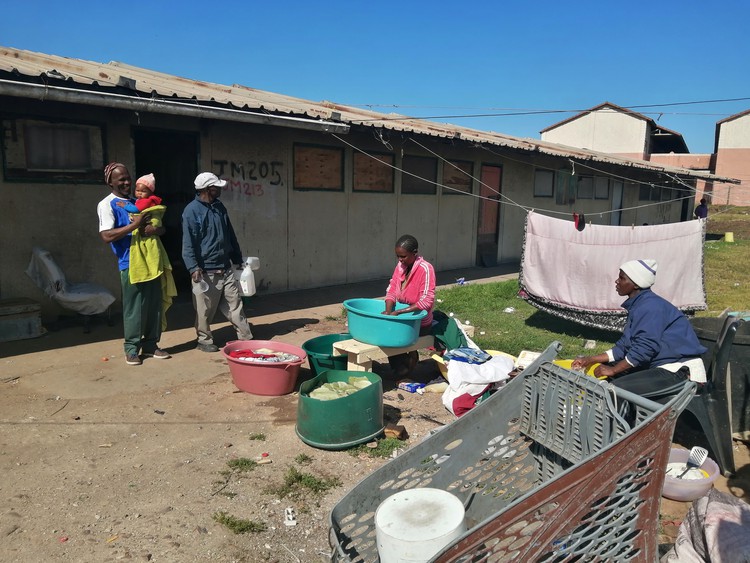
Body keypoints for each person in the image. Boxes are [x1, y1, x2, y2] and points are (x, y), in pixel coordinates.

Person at [572, 259, 707, 397]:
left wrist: (613, 370)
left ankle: (619, 418)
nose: (617, 281)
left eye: (622, 278)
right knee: (611, 377)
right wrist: (591, 360)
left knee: (614, 390)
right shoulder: (639, 305)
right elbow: (624, 347)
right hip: (663, 366)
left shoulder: (650, 307)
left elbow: (645, 348)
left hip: (679, 370)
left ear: (636, 284)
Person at [97, 162, 170, 365]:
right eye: (121, 180)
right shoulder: (107, 204)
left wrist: (155, 230)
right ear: (110, 182)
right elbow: (106, 236)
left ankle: (151, 345)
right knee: (134, 308)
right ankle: (131, 349)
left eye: (128, 178)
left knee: (153, 305)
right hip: (129, 262)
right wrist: (134, 225)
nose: (127, 182)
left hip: (150, 261)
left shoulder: (138, 201)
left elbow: (161, 228)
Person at [182, 172, 253, 352]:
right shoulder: (191, 211)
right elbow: (188, 243)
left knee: (235, 304)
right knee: (204, 310)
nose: (221, 189)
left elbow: (230, 233)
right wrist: (193, 267)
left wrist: (237, 257)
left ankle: (246, 338)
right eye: (217, 186)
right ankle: (204, 341)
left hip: (225, 267)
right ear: (207, 189)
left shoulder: (219, 207)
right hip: (205, 271)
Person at [127, 173, 177, 332]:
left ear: (150, 192)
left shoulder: (145, 203)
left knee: (153, 301)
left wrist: (124, 206)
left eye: (143, 191)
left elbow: (136, 211)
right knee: (139, 304)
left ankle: (151, 339)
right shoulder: (110, 203)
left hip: (149, 246)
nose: (139, 193)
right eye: (137, 190)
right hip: (128, 259)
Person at [382, 234, 436, 377]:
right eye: (398, 256)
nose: (400, 260)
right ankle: (402, 362)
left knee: (391, 335)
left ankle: (406, 363)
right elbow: (392, 289)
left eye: (403, 256)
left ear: (414, 253)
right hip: (400, 318)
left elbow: (426, 301)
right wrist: (388, 310)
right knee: (383, 332)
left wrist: (399, 312)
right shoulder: (400, 266)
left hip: (419, 322)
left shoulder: (426, 269)